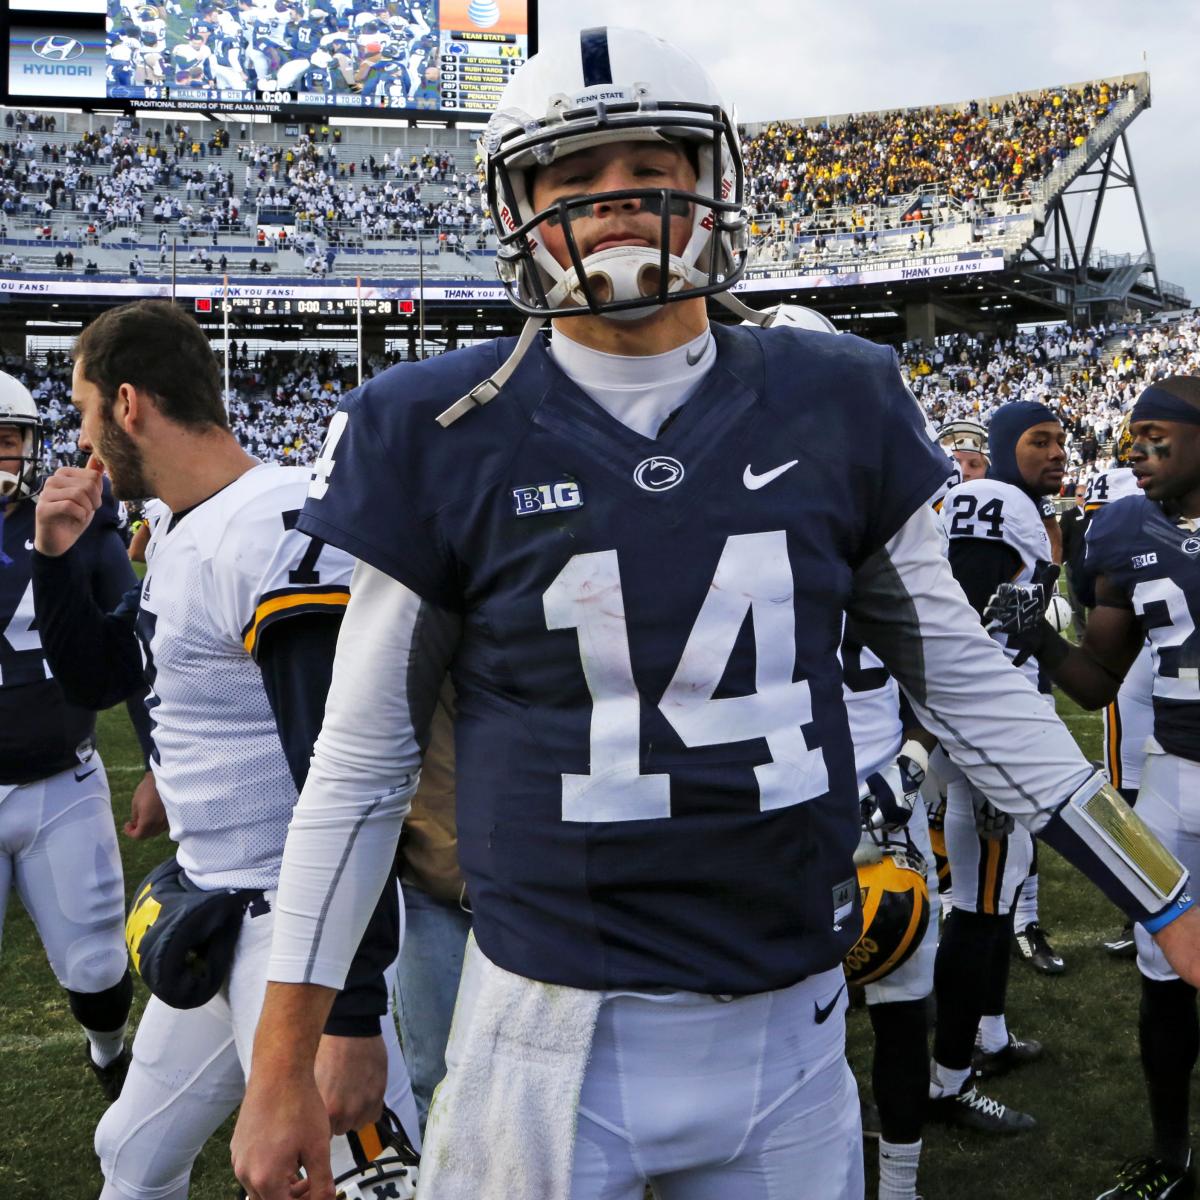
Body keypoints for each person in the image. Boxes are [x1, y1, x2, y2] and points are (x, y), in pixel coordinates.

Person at [233, 29, 1200, 1200]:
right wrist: (286, 1052)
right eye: (574, 181)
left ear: (711, 180)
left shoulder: (835, 394)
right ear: (523, 212)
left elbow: (969, 685)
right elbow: (363, 760)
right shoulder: (438, 423)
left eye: (650, 165)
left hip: (789, 1023)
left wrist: (1168, 893)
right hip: (547, 1030)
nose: (617, 203)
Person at [30, 301, 418, 1200]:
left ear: (128, 405)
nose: (85, 440)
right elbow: (103, 677)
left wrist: (349, 1007)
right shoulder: (180, 524)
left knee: (358, 1183)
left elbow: (348, 768)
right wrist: (55, 560)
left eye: (86, 411)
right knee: (131, 1152)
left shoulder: (266, 523)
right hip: (220, 906)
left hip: (298, 924)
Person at [987, 375, 1200, 1200]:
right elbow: (1096, 683)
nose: (1134, 453)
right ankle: (1172, 1152)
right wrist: (1033, 630)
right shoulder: (1119, 531)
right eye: (1130, 436)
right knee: (1163, 982)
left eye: (1156, 435)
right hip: (1174, 779)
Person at [0, 373, 149, 1103]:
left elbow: (133, 643)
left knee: (96, 965)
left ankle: (107, 1052)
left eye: (3, 441)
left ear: (29, 445)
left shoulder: (78, 519)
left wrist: (158, 764)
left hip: (64, 779)